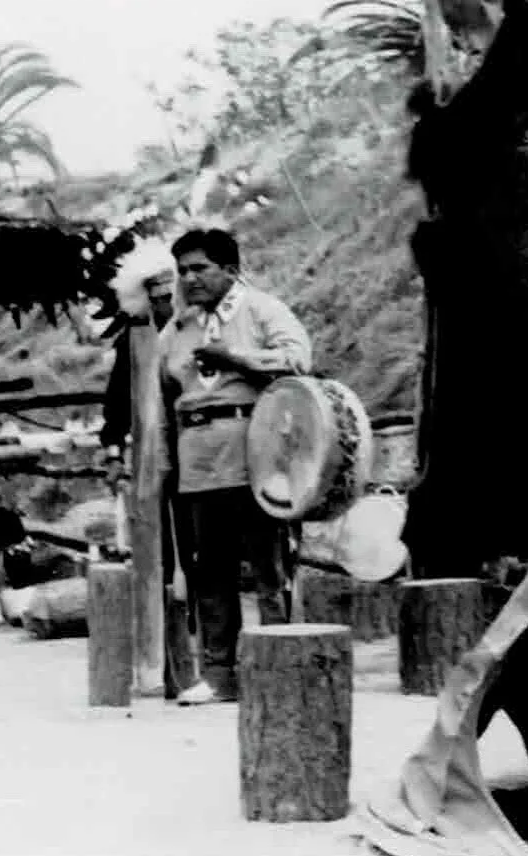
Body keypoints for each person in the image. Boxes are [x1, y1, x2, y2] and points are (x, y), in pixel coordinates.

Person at [156, 226, 311, 705]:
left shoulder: (262, 309)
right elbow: (162, 400)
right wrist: (163, 463)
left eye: (200, 268)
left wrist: (237, 358)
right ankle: (220, 674)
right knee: (210, 569)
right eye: (183, 271)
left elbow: (298, 361)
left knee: (269, 564)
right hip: (198, 457)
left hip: (256, 450)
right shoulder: (176, 329)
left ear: (230, 268)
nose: (190, 279)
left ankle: (281, 669)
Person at [102, 237, 201, 699]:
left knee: (199, 551)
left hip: (199, 452)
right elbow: (117, 403)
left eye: (170, 295)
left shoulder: (201, 328)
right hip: (152, 459)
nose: (165, 304)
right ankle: (166, 663)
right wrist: (113, 450)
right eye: (156, 298)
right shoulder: (135, 340)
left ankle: (204, 656)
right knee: (158, 556)